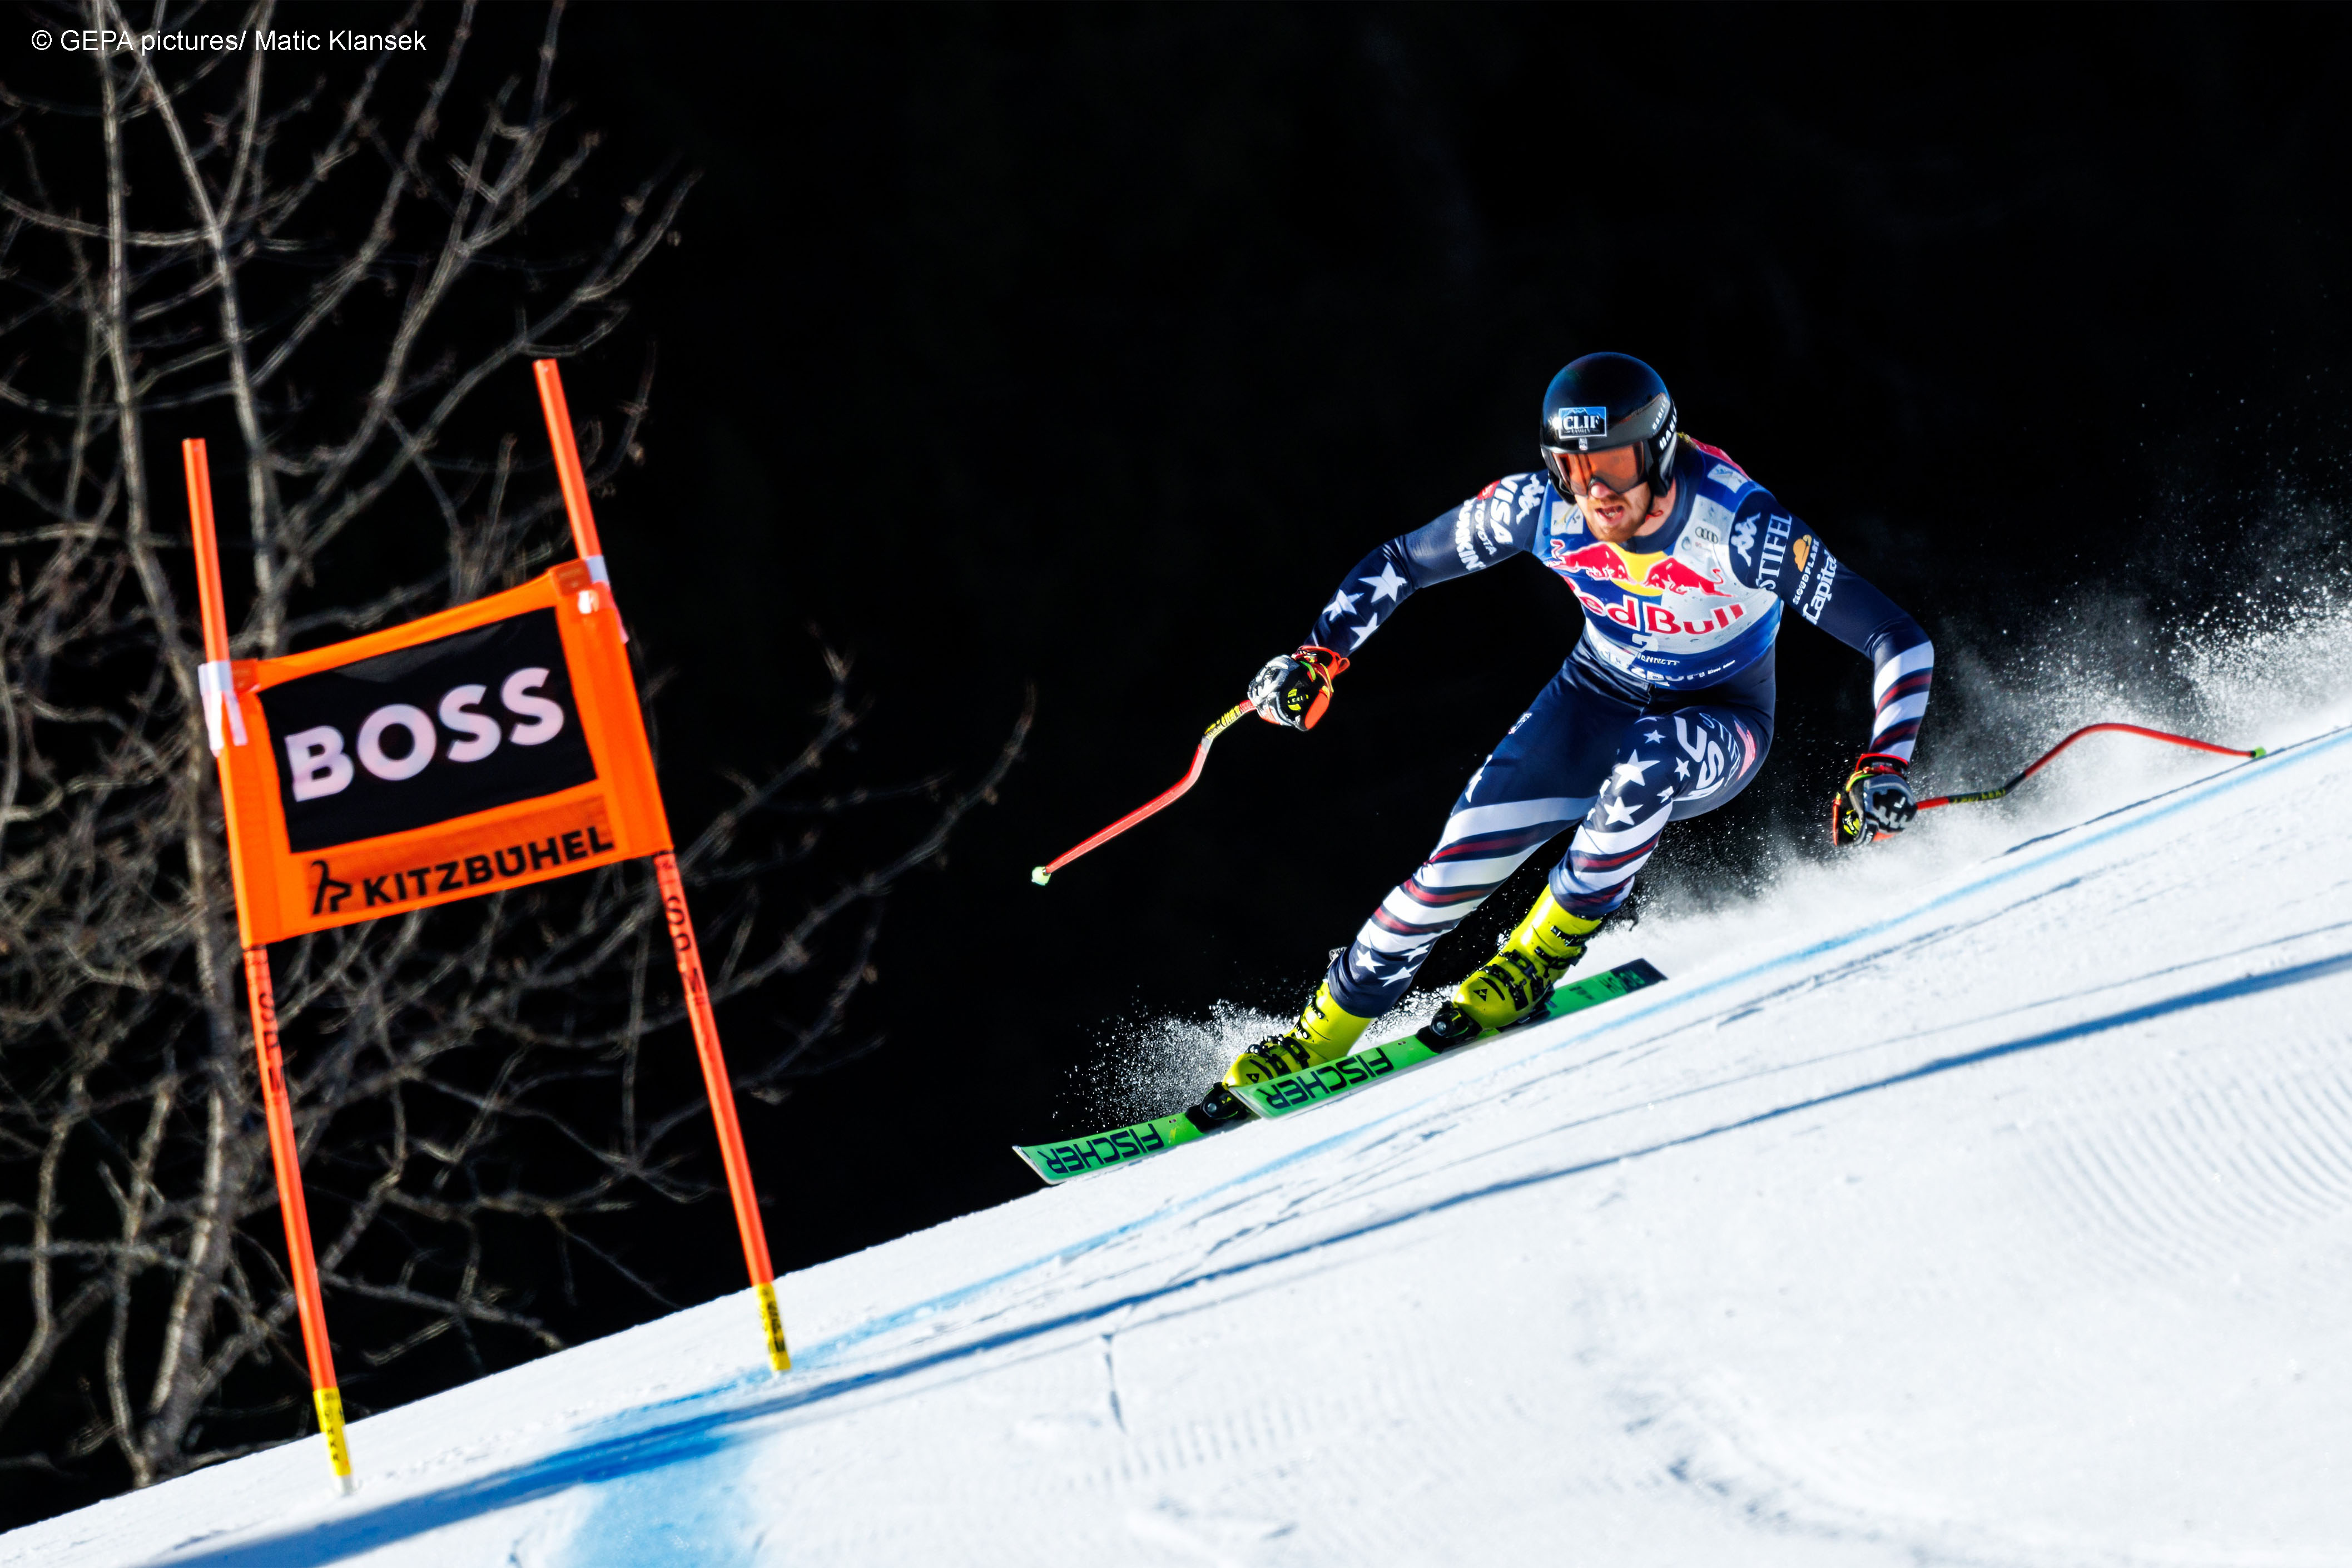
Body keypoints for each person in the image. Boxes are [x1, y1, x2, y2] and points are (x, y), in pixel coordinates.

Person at [1193, 352, 1932, 1126]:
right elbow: (1404, 560)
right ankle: (1320, 1034)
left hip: (1723, 714)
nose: (1596, 491)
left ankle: (1541, 952)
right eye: (1573, 468)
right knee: (1449, 873)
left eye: (1614, 465)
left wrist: (1883, 761)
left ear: (1660, 450)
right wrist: (1319, 654)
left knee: (1652, 760)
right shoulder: (1537, 509)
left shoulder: (1740, 528)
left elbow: (1895, 635)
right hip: (1593, 697)